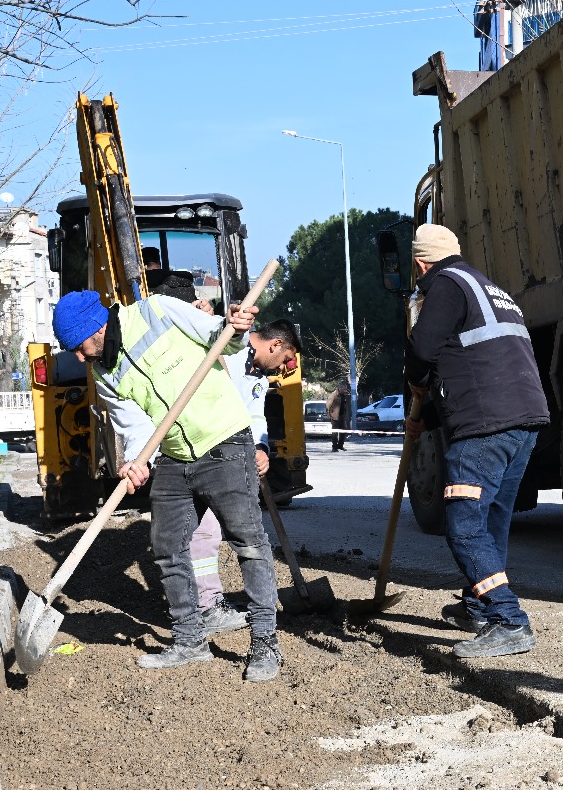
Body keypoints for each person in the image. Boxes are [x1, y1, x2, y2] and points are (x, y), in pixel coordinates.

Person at [51, 289, 283, 682]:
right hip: (174, 455)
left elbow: (219, 336)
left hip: (223, 440)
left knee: (248, 542)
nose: (77, 357)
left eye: (79, 346)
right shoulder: (102, 370)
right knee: (167, 547)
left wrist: (237, 327)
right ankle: (191, 640)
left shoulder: (156, 310)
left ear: (98, 328)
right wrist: (136, 462)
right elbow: (135, 424)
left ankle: (265, 644)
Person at [402, 223, 549, 658]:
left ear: (419, 263)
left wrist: (413, 380)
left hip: (485, 427)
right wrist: (426, 418)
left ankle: (508, 620)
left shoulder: (443, 285)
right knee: (491, 521)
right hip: (524, 421)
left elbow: (424, 351)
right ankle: (477, 606)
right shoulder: (487, 287)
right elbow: (478, 362)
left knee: (464, 524)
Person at [181, 319, 301, 630]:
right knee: (203, 530)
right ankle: (204, 607)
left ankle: (216, 603)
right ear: (275, 345)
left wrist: (261, 447)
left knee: (236, 531)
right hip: (198, 448)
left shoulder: (259, 373)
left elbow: (254, 413)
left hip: (229, 454)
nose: (284, 368)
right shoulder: (228, 346)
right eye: (286, 358)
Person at [326, 379, 349, 451]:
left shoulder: (344, 395)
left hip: (342, 416)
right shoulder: (333, 395)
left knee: (343, 431)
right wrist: (328, 413)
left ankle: (340, 445)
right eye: (344, 389)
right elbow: (328, 404)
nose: (345, 390)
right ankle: (334, 447)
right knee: (335, 432)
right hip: (335, 416)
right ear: (340, 388)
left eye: (345, 389)